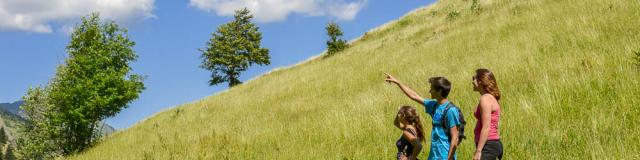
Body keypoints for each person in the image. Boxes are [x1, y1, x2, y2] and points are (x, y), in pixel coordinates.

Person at [385, 73, 462, 160]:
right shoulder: (433, 105)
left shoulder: (451, 111)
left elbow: (455, 138)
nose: (429, 91)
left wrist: (449, 158)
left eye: (432, 89)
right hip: (433, 156)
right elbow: (414, 96)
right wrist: (397, 82)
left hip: (445, 156)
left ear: (439, 91)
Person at [471, 69, 504, 160]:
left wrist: (478, 151)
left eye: (474, 78)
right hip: (491, 144)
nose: (472, 82)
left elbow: (486, 127)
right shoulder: (490, 98)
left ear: (480, 81)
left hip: (488, 145)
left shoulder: (485, 99)